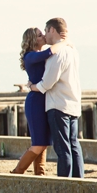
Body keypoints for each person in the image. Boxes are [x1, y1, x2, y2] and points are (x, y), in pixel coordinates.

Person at [28, 18, 83, 178]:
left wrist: (32, 86)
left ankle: (64, 183)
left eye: (45, 31)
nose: (45, 35)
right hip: (73, 104)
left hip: (58, 106)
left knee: (62, 149)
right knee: (74, 146)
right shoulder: (73, 51)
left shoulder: (57, 53)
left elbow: (47, 83)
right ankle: (79, 180)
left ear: (52, 30)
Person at [12, 28, 63, 175]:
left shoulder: (39, 56)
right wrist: (64, 42)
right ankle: (18, 171)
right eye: (40, 35)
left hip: (44, 100)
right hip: (35, 103)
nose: (44, 36)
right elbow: (49, 52)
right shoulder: (30, 56)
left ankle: (39, 173)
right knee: (39, 143)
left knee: (44, 143)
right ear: (34, 40)